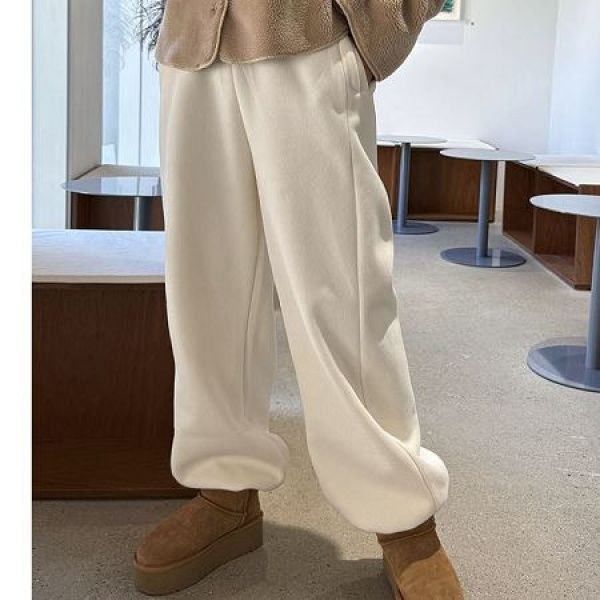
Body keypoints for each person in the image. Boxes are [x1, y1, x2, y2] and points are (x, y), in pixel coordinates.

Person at [133, 1, 464, 598]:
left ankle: (403, 516)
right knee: (205, 289)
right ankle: (226, 488)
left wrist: (378, 27)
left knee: (341, 290)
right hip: (193, 38)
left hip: (308, 33)